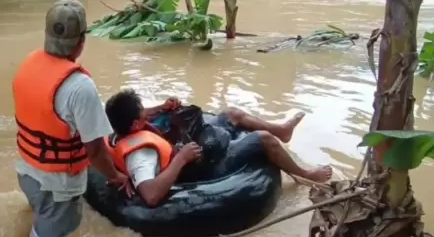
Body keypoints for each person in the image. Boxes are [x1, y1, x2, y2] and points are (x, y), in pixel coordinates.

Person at [12, 0, 133, 237]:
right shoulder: (80, 87)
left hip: (26, 173)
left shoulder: (28, 62)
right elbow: (96, 152)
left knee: (38, 220)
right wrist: (115, 176)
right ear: (81, 42)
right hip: (58, 189)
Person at [104, 89, 333, 207]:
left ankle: (282, 130)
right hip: (202, 169)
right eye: (142, 110)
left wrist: (163, 107)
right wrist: (181, 159)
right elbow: (151, 196)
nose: (147, 111)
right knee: (262, 139)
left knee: (231, 114)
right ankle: (305, 174)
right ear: (135, 124)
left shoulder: (123, 127)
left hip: (183, 151)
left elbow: (142, 117)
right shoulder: (141, 155)